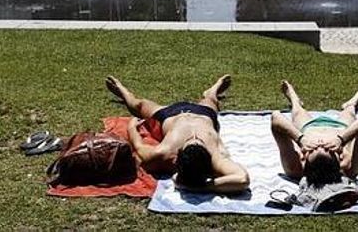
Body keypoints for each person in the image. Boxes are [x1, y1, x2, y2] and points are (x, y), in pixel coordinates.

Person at [105, 75, 250, 194]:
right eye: (198, 140)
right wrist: (208, 185)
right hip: (204, 114)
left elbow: (139, 147)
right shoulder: (216, 156)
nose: (193, 136)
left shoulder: (165, 152)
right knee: (210, 100)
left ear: (177, 156)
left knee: (140, 105)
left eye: (191, 140)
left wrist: (132, 129)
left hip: (169, 115)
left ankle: (123, 92)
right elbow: (242, 178)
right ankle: (212, 91)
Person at [270, 81, 358, 187]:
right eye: (328, 149)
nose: (321, 142)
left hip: (309, 127)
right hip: (342, 127)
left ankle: (295, 100)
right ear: (340, 158)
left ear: (303, 158)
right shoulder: (349, 167)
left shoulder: (294, 167)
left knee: (297, 112)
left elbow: (276, 117)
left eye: (312, 149)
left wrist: (300, 139)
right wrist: (341, 140)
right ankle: (351, 104)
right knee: (349, 112)